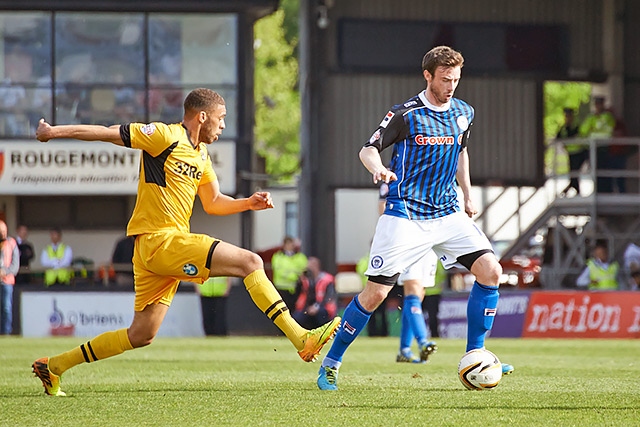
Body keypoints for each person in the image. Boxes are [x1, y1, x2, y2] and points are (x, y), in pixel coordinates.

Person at [32, 87, 341, 396]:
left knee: (141, 334)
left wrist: (248, 202)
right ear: (201, 116)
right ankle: (301, 339)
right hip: (159, 241)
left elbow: (214, 202)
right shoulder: (165, 136)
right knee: (251, 262)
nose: (222, 126)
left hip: (160, 250)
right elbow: (107, 132)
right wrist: (53, 131)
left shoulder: (201, 154)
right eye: (220, 119)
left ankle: (55, 365)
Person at [317, 46, 512, 391]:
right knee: (376, 293)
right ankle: (331, 364)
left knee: (491, 271)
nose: (451, 85)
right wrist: (378, 169)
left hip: (448, 212)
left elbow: (462, 153)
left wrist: (467, 194)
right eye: (445, 78)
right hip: (406, 213)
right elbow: (368, 148)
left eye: (456, 79)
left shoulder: (465, 112)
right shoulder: (405, 114)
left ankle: (476, 355)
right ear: (428, 75)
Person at [396, 251, 438, 364]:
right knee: (412, 291)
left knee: (418, 295)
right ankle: (423, 342)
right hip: (411, 243)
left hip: (430, 246)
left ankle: (404, 350)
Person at [579, 96, 616, 193]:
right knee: (595, 171)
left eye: (600, 104)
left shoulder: (608, 116)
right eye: (596, 104)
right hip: (593, 148)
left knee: (605, 171)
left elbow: (609, 129)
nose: (598, 106)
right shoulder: (591, 117)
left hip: (604, 148)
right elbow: (583, 130)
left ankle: (607, 191)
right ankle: (597, 190)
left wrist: (593, 129)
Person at [293, 257, 337, 330]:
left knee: (321, 315)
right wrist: (300, 281)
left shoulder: (327, 279)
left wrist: (316, 307)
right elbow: (301, 294)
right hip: (307, 307)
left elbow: (329, 297)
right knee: (297, 317)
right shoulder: (306, 280)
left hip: (323, 307)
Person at [271, 236, 308, 310]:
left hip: (297, 287)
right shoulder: (278, 257)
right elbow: (280, 272)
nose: (290, 246)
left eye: (291, 244)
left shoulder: (300, 257)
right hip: (282, 288)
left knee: (295, 309)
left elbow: (305, 269)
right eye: (288, 244)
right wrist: (296, 276)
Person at [557, 108, 585, 197]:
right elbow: (558, 137)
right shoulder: (564, 128)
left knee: (575, 171)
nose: (567, 118)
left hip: (579, 152)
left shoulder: (576, 126)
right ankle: (574, 188)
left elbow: (577, 135)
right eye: (566, 116)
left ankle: (574, 189)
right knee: (572, 171)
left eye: (569, 116)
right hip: (570, 153)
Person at [0, 220, 20, 335]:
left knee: (6, 308)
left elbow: (15, 265)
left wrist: (4, 272)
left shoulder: (12, 243)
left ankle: (6, 332)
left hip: (7, 282)